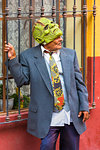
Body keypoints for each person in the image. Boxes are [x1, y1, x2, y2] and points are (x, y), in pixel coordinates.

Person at [4, 17, 89, 150]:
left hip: (71, 114)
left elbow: (80, 83)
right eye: (56, 37)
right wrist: (13, 59)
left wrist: (84, 106)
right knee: (47, 147)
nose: (60, 39)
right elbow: (22, 80)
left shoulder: (70, 54)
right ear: (44, 40)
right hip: (48, 116)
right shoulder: (29, 56)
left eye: (60, 36)